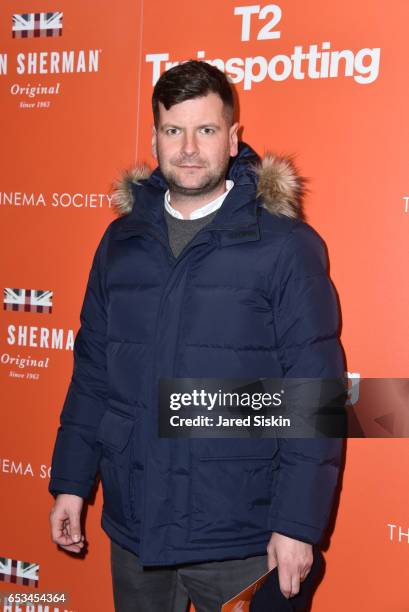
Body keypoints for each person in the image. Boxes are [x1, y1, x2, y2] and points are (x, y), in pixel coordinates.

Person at [49, 60, 345, 611]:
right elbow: (92, 373)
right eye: (173, 130)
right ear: (155, 137)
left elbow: (314, 396)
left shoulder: (285, 247)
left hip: (241, 539)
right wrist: (71, 482)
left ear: (233, 139)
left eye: (206, 130)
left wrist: (297, 525)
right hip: (135, 532)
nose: (188, 148)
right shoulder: (120, 243)